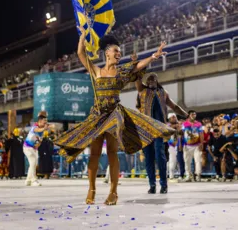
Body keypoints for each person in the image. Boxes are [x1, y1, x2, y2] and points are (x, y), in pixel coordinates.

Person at [54, 33, 172, 206]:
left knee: (111, 153)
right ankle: (91, 189)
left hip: (114, 115)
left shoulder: (122, 71)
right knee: (94, 154)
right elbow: (81, 54)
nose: (119, 54)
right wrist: (82, 36)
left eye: (120, 52)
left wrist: (154, 56)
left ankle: (113, 192)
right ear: (107, 53)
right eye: (116, 51)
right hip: (97, 116)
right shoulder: (96, 71)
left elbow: (138, 66)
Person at [135, 73, 187, 194]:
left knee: (160, 156)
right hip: (146, 129)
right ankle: (152, 185)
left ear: (157, 81)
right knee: (149, 158)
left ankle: (164, 184)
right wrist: (136, 65)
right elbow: (137, 79)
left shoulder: (163, 93)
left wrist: (186, 115)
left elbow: (175, 107)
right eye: (149, 80)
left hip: (159, 129)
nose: (151, 81)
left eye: (153, 80)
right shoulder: (142, 90)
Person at [24, 115, 48, 186]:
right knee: (33, 163)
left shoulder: (42, 132)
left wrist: (38, 144)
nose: (46, 123)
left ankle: (28, 180)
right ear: (40, 121)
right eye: (44, 122)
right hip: (27, 147)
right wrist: (44, 128)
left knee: (33, 164)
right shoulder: (34, 127)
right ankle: (34, 180)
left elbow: (39, 141)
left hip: (34, 149)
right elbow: (38, 130)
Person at [182, 111, 204, 182]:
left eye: (195, 114)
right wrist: (181, 144)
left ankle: (198, 175)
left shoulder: (199, 124)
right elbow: (181, 134)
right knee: (187, 161)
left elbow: (201, 133)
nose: (194, 115)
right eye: (192, 114)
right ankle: (188, 176)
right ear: (189, 115)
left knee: (198, 161)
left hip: (196, 145)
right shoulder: (184, 124)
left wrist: (201, 143)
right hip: (187, 146)